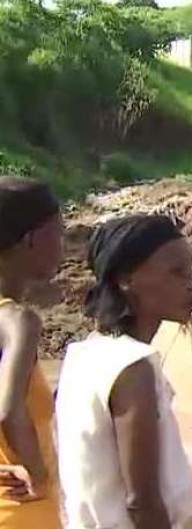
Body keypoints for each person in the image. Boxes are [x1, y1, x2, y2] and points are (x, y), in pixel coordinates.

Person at [56, 215, 192, 529]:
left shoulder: (84, 356)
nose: (191, 283)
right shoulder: (132, 366)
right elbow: (141, 503)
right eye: (176, 272)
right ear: (126, 279)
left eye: (190, 270)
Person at [0, 177, 64, 528]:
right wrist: (39, 478)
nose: (63, 244)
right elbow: (8, 411)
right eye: (58, 231)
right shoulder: (17, 321)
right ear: (30, 240)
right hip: (22, 513)